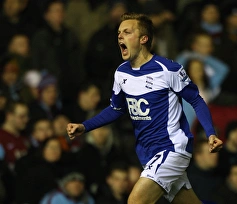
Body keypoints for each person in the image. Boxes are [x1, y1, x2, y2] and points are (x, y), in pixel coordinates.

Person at [67, 12, 223, 204]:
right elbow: (116, 109)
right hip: (147, 152)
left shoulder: (168, 70)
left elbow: (196, 100)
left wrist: (210, 133)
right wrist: (85, 126)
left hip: (171, 148)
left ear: (143, 39)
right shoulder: (121, 73)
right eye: (119, 33)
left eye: (127, 32)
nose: (120, 36)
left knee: (136, 201)